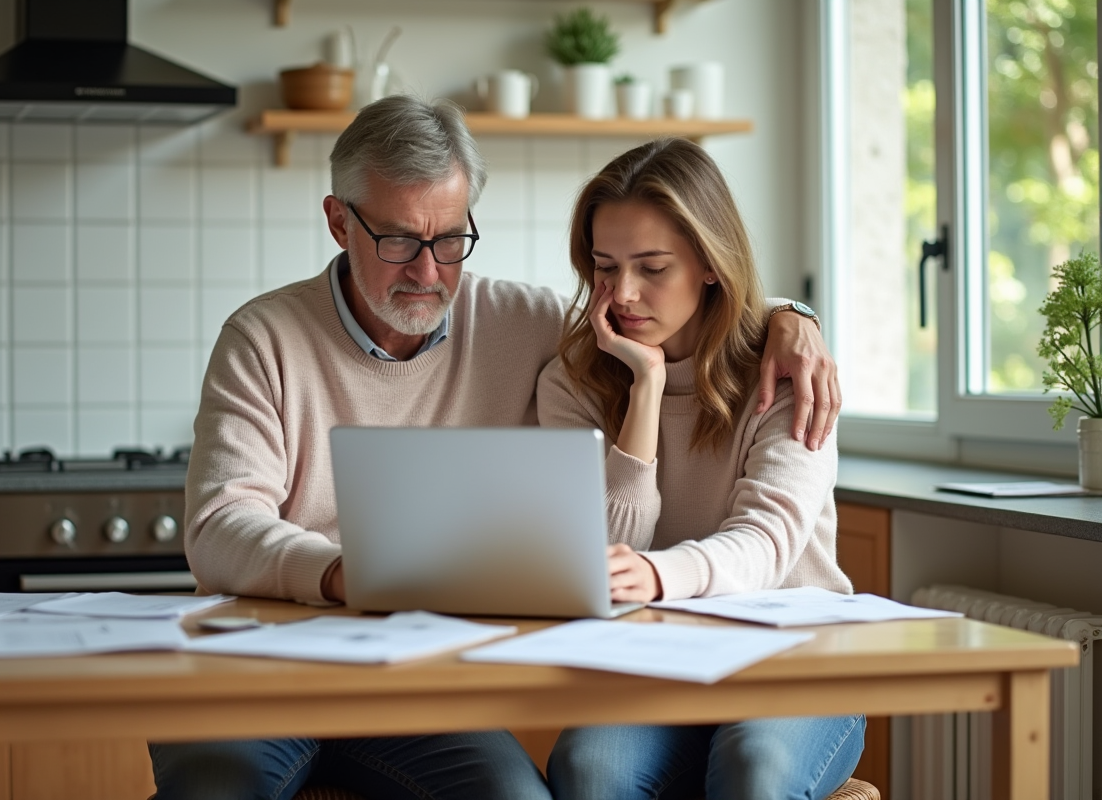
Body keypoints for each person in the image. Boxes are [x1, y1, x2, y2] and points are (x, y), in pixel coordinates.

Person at [149, 96, 841, 800]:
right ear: (338, 222)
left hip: (412, 683)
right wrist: (336, 573)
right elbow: (216, 530)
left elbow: (692, 308)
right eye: (397, 241)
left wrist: (793, 316)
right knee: (215, 789)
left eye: (449, 239)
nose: (427, 272)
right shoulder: (262, 339)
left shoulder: (527, 324)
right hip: (261, 669)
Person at [536, 137, 863, 800]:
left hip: (794, 660)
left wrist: (659, 573)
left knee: (754, 767)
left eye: (652, 268)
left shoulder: (788, 372)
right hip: (655, 666)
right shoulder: (572, 382)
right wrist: (646, 389)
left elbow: (768, 544)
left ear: (710, 263)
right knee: (588, 770)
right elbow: (603, 558)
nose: (623, 293)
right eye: (605, 266)